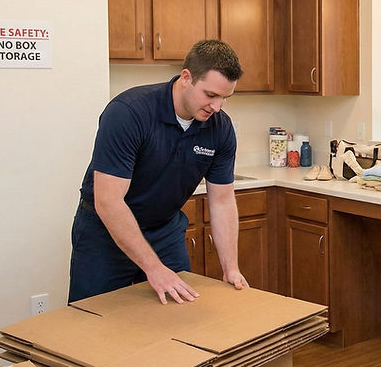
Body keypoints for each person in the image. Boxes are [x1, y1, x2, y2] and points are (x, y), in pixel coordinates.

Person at [70, 39, 248, 305]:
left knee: (177, 315)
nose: (217, 107)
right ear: (186, 77)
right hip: (104, 232)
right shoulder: (129, 113)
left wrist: (230, 267)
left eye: (225, 98)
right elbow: (108, 202)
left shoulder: (220, 128)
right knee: (93, 322)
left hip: (164, 230)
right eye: (210, 95)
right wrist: (153, 268)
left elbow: (222, 201)